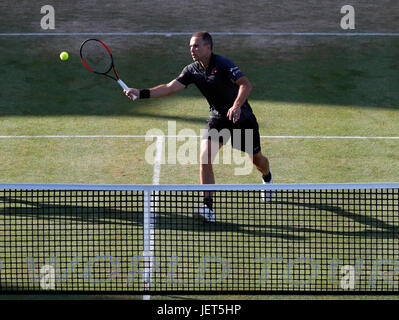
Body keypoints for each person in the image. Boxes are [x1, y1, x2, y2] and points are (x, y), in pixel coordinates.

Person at [124, 31, 273, 223]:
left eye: (196, 46)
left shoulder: (223, 63)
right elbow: (170, 87)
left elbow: (246, 85)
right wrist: (141, 93)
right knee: (204, 159)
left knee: (257, 160)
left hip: (241, 119)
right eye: (190, 47)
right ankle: (208, 207)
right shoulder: (192, 70)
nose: (192, 50)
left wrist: (236, 106)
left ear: (208, 47)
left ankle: (267, 178)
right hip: (218, 119)